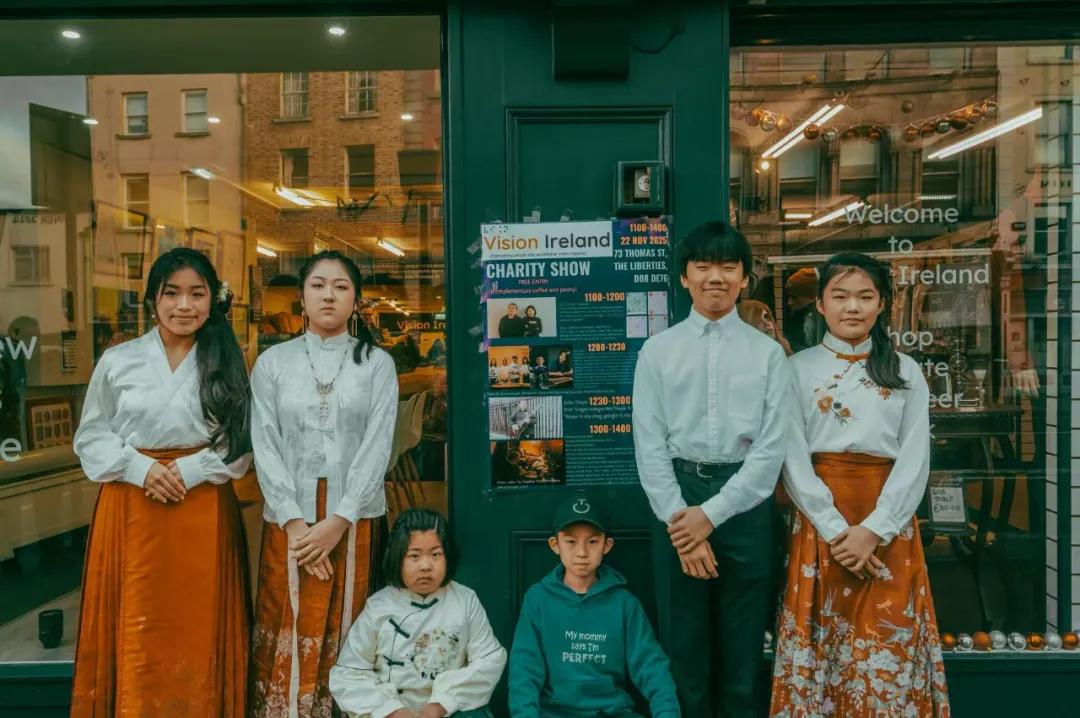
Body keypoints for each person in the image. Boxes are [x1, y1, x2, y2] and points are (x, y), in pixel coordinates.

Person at [71, 247, 252, 716]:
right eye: (171, 293)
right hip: (131, 503)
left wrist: (190, 471)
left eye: (197, 293)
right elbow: (91, 435)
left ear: (212, 300)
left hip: (203, 504)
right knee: (135, 623)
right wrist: (140, 469)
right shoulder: (119, 360)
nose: (184, 305)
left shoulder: (227, 360)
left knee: (198, 622)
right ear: (153, 298)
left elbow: (241, 441)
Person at [770, 252, 950, 716]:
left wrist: (876, 528)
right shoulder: (795, 369)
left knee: (889, 637)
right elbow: (791, 456)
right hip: (819, 517)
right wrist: (835, 529)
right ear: (820, 304)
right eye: (840, 296)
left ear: (882, 304)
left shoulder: (905, 370)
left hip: (887, 520)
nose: (853, 307)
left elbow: (915, 458)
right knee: (822, 640)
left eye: (865, 296)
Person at [632, 221, 789, 717]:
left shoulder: (768, 355)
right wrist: (684, 523)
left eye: (727, 267)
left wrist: (712, 515)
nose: (715, 277)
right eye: (703, 266)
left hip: (746, 503)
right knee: (684, 648)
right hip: (678, 497)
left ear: (744, 278)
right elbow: (649, 444)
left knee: (744, 648)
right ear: (685, 277)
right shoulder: (658, 351)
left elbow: (770, 451)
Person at [249, 250, 399, 717]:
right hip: (289, 517)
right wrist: (294, 522)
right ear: (302, 297)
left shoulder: (377, 364)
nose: (328, 295)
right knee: (286, 613)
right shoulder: (273, 363)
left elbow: (378, 445)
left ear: (356, 300)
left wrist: (340, 519)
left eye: (340, 286)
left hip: (352, 517)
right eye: (318, 285)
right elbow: (264, 443)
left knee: (349, 618)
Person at [509, 495, 679, 718]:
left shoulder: (624, 604)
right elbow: (524, 670)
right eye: (571, 542)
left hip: (612, 712)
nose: (581, 552)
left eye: (592, 542)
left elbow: (652, 667)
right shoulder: (538, 599)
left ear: (606, 545)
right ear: (555, 545)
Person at [331, 509, 506, 718]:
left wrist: (441, 704)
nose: (425, 566)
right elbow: (349, 673)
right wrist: (392, 711)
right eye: (414, 556)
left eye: (436, 555)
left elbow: (489, 660)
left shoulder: (465, 600)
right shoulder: (378, 607)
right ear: (397, 558)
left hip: (450, 711)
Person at [784, 267, 826, 353]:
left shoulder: (827, 319)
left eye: (794, 297)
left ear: (809, 296)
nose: (789, 302)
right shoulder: (796, 315)